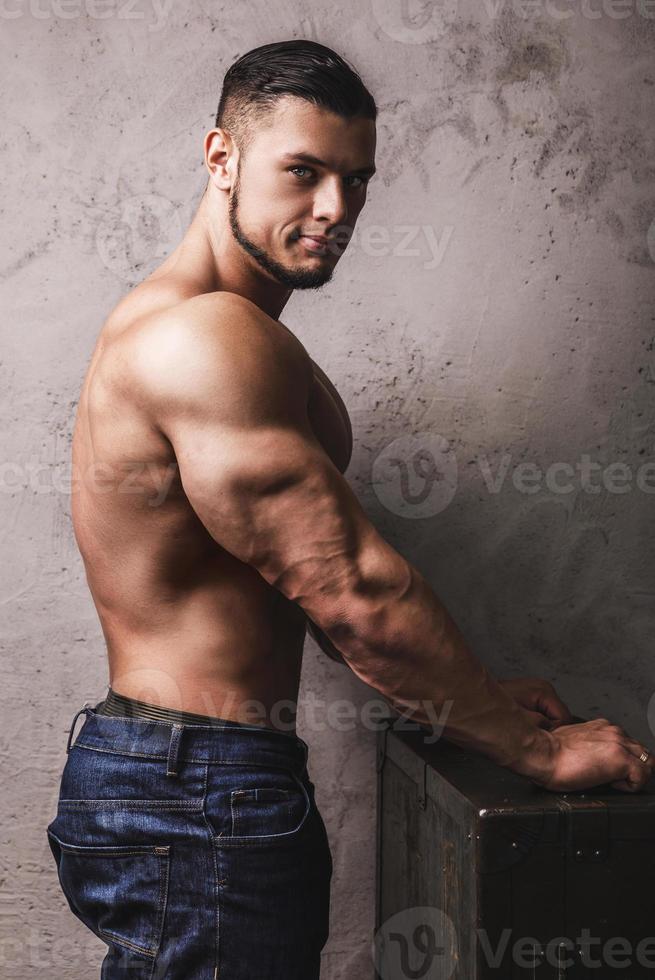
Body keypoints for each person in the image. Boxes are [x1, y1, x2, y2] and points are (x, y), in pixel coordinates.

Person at [46, 38, 654, 980]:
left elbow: (299, 571)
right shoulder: (204, 338)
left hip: (178, 780)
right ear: (221, 158)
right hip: (200, 788)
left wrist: (479, 700)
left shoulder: (213, 331)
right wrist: (533, 752)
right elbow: (350, 592)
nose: (336, 210)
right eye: (303, 172)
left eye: (355, 180)